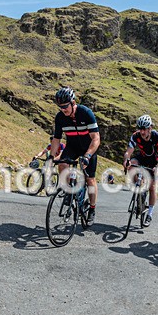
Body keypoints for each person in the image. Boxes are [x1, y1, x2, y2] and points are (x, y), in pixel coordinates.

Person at [49, 86, 100, 224]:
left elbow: (96, 138)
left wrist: (88, 156)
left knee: (90, 180)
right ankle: (68, 190)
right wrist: (51, 157)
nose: (63, 109)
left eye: (65, 106)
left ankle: (92, 209)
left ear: (73, 103)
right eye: (60, 106)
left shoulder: (85, 113)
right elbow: (56, 139)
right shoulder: (60, 117)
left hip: (88, 148)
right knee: (62, 164)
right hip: (72, 146)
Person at [122, 114, 158, 226]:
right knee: (132, 165)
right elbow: (128, 152)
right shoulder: (136, 136)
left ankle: (149, 214)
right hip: (142, 157)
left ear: (149, 128)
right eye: (140, 129)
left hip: (154, 162)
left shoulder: (156, 137)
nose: (142, 132)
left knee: (152, 187)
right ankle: (139, 185)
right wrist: (126, 160)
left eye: (144, 129)